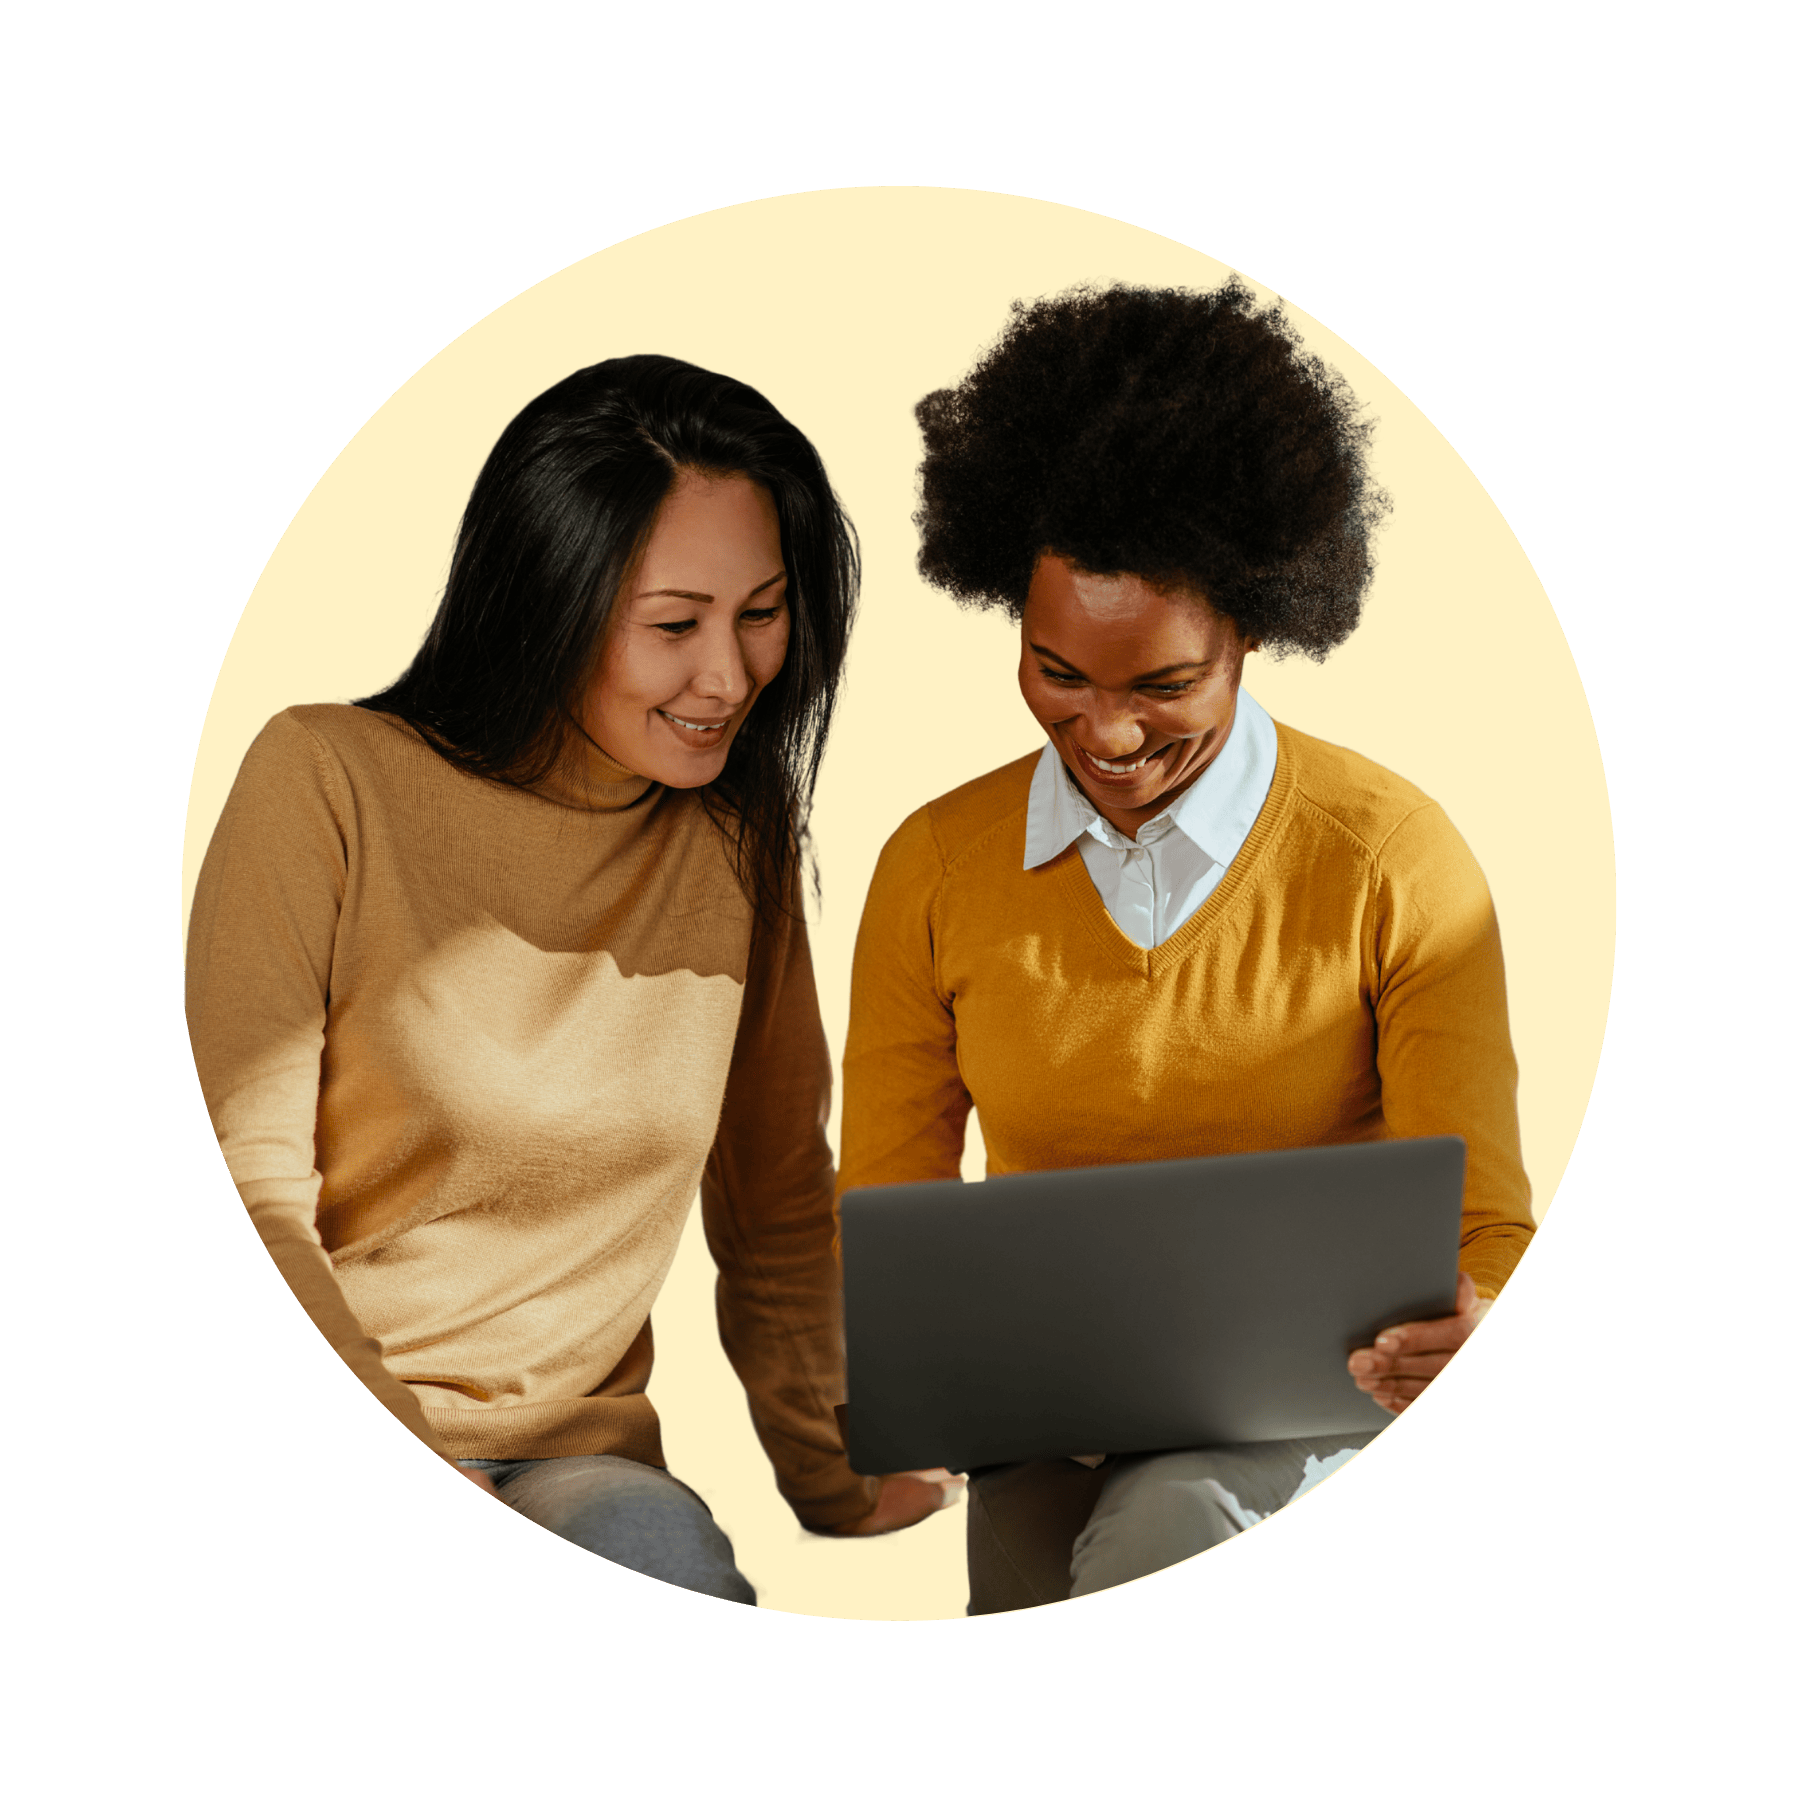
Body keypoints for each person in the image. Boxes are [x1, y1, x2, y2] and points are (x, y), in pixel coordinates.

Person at [186, 355, 951, 1605]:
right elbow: (243, 1183)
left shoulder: (738, 837)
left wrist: (843, 1475)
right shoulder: (326, 778)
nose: (729, 676)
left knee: (670, 1564)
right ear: (548, 599)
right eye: (674, 626)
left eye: (763, 612)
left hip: (577, 1462)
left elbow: (773, 1197)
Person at [838, 283, 1536, 1613]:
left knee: (1167, 1527)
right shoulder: (935, 866)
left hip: (1303, 1413)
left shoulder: (1390, 857)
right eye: (1059, 673)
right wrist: (893, 1401)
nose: (1107, 736)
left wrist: (1472, 1325)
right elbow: (886, 1215)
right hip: (1043, 1413)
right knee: (1029, 1587)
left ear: (1256, 625)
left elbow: (1487, 1230)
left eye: (1164, 685)